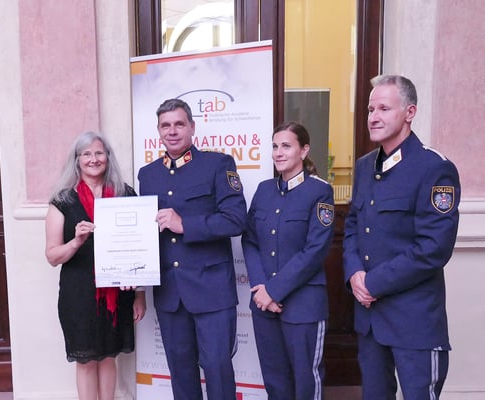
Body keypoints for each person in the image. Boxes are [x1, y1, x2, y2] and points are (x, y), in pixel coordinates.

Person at [343, 75, 460, 399]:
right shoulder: (365, 166)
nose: (373, 117)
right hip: (370, 321)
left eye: (384, 108)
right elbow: (352, 226)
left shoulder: (433, 167)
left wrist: (373, 283)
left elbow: (433, 248)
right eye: (370, 109)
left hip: (414, 322)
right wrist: (354, 273)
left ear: (410, 112)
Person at [137, 98, 247, 400]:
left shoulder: (218, 165)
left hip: (212, 291)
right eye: (165, 125)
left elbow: (236, 219)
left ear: (192, 127)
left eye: (179, 124)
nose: (172, 131)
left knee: (218, 371)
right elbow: (145, 231)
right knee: (181, 374)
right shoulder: (148, 174)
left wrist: (184, 224)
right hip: (170, 293)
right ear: (158, 131)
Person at [45, 131, 146, 400]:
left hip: (119, 293)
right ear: (77, 160)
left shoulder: (125, 194)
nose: (93, 159)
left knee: (109, 357)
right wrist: (76, 242)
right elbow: (52, 256)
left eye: (99, 153)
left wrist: (140, 294)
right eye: (86, 154)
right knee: (87, 360)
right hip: (79, 294)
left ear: (108, 157)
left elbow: (140, 248)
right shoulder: (63, 201)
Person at [242, 121, 335, 400]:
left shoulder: (319, 191)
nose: (278, 153)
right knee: (275, 382)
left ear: (304, 150)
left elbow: (315, 250)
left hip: (303, 305)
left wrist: (273, 290)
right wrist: (261, 289)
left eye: (286, 146)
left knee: (306, 382)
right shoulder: (264, 190)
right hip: (264, 305)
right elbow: (250, 240)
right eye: (274, 146)